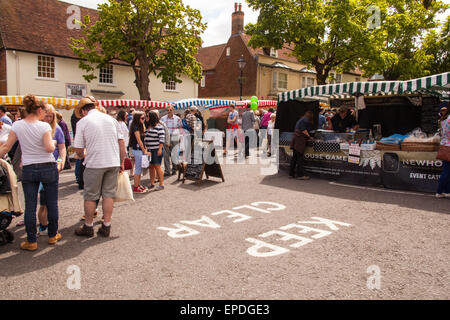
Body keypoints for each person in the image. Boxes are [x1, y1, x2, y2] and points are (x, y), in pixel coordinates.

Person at [0, 95, 60, 251]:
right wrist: (53, 143)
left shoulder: (18, 125)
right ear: (39, 110)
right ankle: (53, 235)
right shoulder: (44, 127)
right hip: (48, 166)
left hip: (29, 168)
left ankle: (31, 240)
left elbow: (6, 147)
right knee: (52, 203)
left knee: (30, 205)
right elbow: (49, 148)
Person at [73, 98, 126, 238]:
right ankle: (106, 226)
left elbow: (78, 149)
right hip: (113, 161)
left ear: (84, 110)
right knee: (109, 195)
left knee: (90, 196)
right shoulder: (111, 119)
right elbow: (121, 143)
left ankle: (88, 226)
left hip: (95, 163)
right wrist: (122, 162)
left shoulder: (83, 122)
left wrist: (81, 154)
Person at [36, 104, 66, 236]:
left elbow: (62, 147)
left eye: (50, 116)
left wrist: (61, 161)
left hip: (52, 167)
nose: (48, 118)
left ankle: (48, 228)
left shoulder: (57, 129)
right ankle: (44, 226)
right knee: (43, 202)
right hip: (37, 167)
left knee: (50, 202)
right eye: (46, 115)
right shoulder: (36, 127)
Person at [144, 111, 165, 191]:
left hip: (156, 149)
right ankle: (152, 183)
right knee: (151, 167)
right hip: (149, 150)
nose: (146, 118)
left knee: (157, 166)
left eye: (148, 116)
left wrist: (159, 149)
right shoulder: (147, 126)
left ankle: (161, 184)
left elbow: (162, 139)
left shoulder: (159, 127)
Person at [290, 110, 313, 180]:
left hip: (296, 138)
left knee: (294, 157)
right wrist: (309, 137)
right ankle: (300, 175)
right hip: (299, 139)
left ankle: (291, 174)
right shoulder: (305, 120)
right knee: (300, 157)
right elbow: (303, 130)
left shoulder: (301, 119)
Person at [129, 112, 149, 193]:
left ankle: (138, 185)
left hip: (139, 150)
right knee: (138, 170)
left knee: (139, 169)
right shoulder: (136, 127)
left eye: (144, 118)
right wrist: (144, 150)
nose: (143, 120)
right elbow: (139, 140)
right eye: (142, 118)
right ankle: (136, 187)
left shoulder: (139, 126)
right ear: (137, 119)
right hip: (137, 150)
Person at [160, 105, 182, 176]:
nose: (169, 111)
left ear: (173, 110)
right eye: (167, 110)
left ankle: (174, 169)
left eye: (170, 110)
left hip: (174, 137)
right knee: (166, 155)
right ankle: (167, 171)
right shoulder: (162, 119)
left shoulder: (177, 119)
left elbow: (180, 128)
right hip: (166, 137)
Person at [436, 111, 450, 198]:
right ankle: (440, 191)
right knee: (446, 171)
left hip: (444, 146)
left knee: (446, 170)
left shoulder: (444, 119)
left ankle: (446, 191)